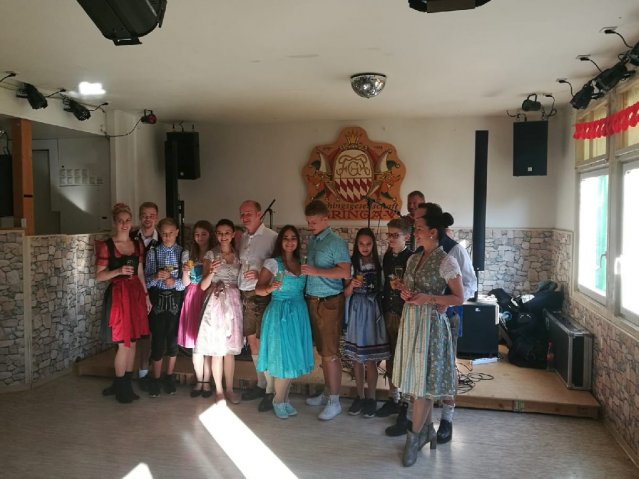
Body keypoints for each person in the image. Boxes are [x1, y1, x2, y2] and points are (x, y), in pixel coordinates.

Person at [393, 211, 465, 467]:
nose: (415, 232)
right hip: (412, 323)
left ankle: (414, 438)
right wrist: (405, 293)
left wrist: (430, 298)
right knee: (416, 381)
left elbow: (459, 298)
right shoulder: (414, 258)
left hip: (431, 327)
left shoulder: (446, 261)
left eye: (419, 228)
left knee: (423, 384)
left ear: (433, 232)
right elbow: (412, 289)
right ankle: (426, 430)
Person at [419, 202, 477, 444]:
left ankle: (447, 419)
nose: (415, 225)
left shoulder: (455, 251)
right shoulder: (422, 249)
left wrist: (447, 303)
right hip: (424, 319)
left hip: (447, 317)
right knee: (424, 367)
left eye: (419, 220)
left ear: (433, 227)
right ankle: (422, 421)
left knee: (448, 367)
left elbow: (470, 285)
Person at [255, 225, 314, 419]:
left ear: (297, 242)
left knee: (293, 356)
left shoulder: (302, 263)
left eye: (293, 238)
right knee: (283, 358)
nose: (289, 242)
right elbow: (258, 289)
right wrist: (271, 288)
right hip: (279, 313)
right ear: (280, 241)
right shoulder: (273, 263)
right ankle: (278, 400)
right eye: (286, 238)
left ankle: (285, 399)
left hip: (298, 313)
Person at [95, 203, 152, 403]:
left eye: (127, 220)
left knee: (133, 342)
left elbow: (140, 272)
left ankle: (124, 383)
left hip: (135, 294)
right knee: (123, 343)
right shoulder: (107, 246)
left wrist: (146, 295)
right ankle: (121, 386)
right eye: (120, 221)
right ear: (115, 223)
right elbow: (99, 276)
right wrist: (118, 271)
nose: (124, 224)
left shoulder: (137, 244)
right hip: (119, 296)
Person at [302, 200, 351, 421]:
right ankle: (327, 392)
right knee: (323, 352)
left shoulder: (336, 242)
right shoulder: (314, 240)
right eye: (308, 222)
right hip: (313, 301)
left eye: (313, 222)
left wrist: (315, 271)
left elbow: (345, 273)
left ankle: (335, 401)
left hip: (330, 302)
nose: (310, 226)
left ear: (325, 219)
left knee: (331, 354)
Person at [343, 228, 390, 418]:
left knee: (370, 359)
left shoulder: (379, 265)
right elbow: (345, 293)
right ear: (356, 245)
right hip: (356, 309)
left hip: (372, 310)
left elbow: (384, 289)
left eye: (368, 244)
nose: (365, 247)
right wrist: (351, 285)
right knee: (357, 358)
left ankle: (371, 397)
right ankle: (360, 396)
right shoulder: (351, 264)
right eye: (361, 244)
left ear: (373, 245)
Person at [196, 219, 244, 404]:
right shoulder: (211, 254)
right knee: (217, 350)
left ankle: (230, 389)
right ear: (216, 235)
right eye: (220, 233)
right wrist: (211, 273)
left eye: (227, 233)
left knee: (229, 350)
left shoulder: (239, 254)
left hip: (234, 302)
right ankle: (219, 391)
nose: (223, 236)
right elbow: (203, 286)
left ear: (233, 235)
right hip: (216, 303)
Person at [237, 200, 278, 411]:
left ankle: (271, 390)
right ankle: (261, 384)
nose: (245, 217)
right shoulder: (243, 237)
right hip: (244, 294)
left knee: (263, 343)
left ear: (259, 214)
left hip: (261, 294)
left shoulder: (272, 237)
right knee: (251, 341)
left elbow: (278, 265)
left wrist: (261, 273)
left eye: (249, 213)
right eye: (242, 214)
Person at [376, 218, 413, 428]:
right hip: (388, 311)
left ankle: (406, 404)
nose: (390, 238)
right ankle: (393, 397)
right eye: (388, 234)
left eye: (395, 235)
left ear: (406, 237)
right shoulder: (387, 257)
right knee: (389, 356)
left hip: (404, 314)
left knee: (404, 358)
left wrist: (403, 287)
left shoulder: (412, 258)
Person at [144, 217, 185, 398]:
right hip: (157, 302)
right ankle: (156, 378)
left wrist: (174, 282)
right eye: (164, 234)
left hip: (175, 301)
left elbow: (186, 283)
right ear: (159, 233)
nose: (167, 237)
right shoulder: (152, 253)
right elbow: (145, 281)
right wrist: (155, 277)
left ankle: (169, 376)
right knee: (158, 341)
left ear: (177, 232)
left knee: (173, 342)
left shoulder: (183, 253)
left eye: (171, 233)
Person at [178, 220, 216, 398]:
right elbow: (185, 283)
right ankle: (199, 380)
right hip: (192, 296)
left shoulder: (213, 253)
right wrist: (185, 271)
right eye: (197, 234)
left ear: (210, 235)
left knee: (206, 341)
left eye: (203, 234)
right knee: (195, 343)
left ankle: (207, 382)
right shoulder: (188, 254)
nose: (200, 237)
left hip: (208, 296)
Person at [130, 201, 159, 387]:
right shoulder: (130, 237)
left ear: (156, 218)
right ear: (139, 217)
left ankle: (146, 373)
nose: (148, 219)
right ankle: (129, 373)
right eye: (144, 215)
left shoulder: (164, 238)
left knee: (151, 333)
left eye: (151, 216)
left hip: (156, 292)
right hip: (133, 291)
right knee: (132, 333)